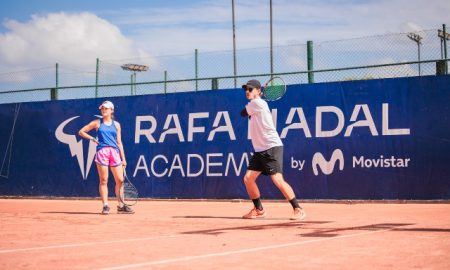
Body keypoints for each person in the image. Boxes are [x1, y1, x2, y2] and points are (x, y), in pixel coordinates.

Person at [240, 79, 306, 220]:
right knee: (248, 178)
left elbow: (242, 113)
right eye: (246, 89)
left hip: (271, 147)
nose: (247, 91)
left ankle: (298, 209)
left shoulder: (257, 103)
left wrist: (252, 103)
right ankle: (259, 209)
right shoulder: (257, 103)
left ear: (259, 91)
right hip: (260, 149)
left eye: (250, 89)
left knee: (277, 180)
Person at [79, 100, 134, 215]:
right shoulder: (97, 123)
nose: (103, 110)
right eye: (102, 109)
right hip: (102, 152)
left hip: (114, 153)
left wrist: (123, 158)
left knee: (120, 180)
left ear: (111, 110)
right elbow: (81, 132)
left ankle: (121, 205)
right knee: (104, 180)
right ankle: (105, 205)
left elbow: (119, 142)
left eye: (106, 108)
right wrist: (92, 139)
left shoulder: (117, 125)